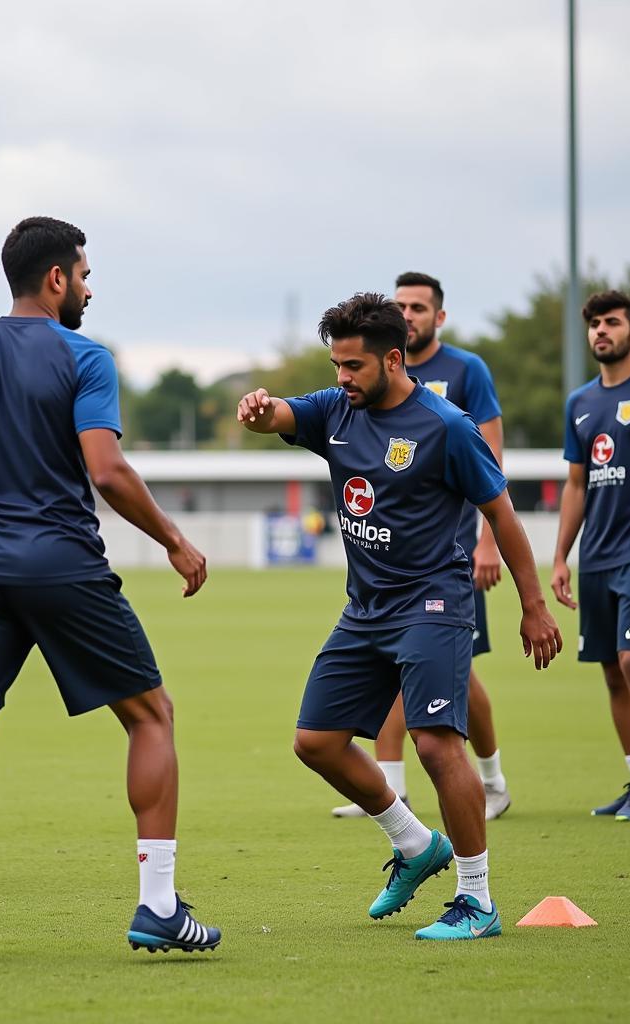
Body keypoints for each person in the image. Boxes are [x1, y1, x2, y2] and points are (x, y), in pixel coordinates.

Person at [0, 216, 219, 962]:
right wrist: (175, 541)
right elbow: (106, 470)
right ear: (56, 278)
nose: (88, 286)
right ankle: (157, 906)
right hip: (61, 563)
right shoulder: (86, 356)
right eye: (83, 273)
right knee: (151, 717)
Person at [238, 292, 560, 940]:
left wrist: (533, 606)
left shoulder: (445, 426)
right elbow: (280, 416)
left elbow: (500, 512)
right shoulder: (335, 409)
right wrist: (257, 410)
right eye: (335, 365)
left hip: (435, 602)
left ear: (392, 359)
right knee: (317, 742)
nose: (341, 378)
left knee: (436, 743)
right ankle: (416, 845)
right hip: (366, 608)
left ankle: (477, 900)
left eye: (353, 366)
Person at [332, 272, 511, 820]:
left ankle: (493, 777)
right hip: (389, 559)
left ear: (439, 316)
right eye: (401, 305)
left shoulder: (465, 372)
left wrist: (487, 544)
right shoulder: (365, 378)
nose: (409, 314)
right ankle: (390, 785)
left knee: (460, 672)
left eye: (419, 306)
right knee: (401, 664)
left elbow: (492, 463)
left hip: (449, 557)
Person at [552, 290, 630, 821]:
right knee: (612, 669)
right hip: (598, 556)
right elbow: (575, 484)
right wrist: (562, 556)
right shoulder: (580, 403)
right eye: (593, 324)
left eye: (611, 322)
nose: (600, 331)